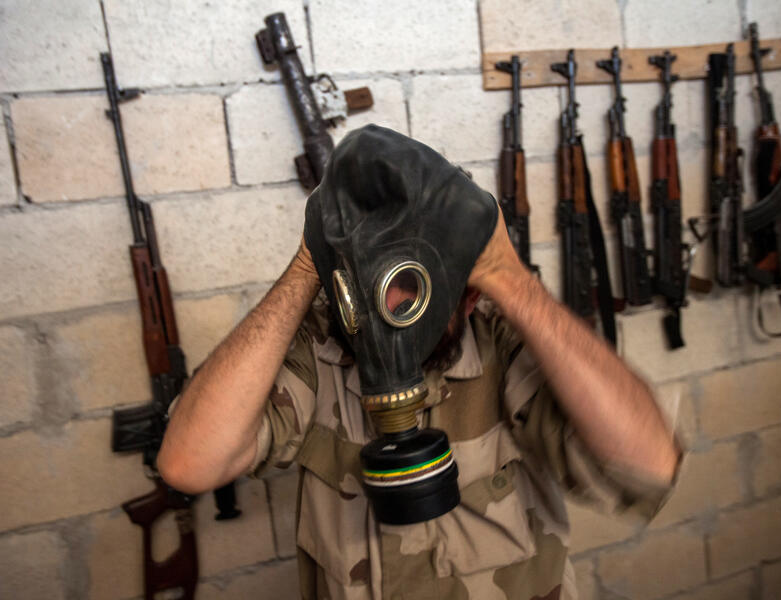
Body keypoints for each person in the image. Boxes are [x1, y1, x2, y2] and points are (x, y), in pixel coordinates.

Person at [158, 126, 681, 600]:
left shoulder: (500, 343)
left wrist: (511, 280)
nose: (387, 318)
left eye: (411, 293)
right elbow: (189, 463)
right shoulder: (320, 345)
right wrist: (305, 265)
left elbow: (648, 463)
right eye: (371, 285)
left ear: (469, 296)